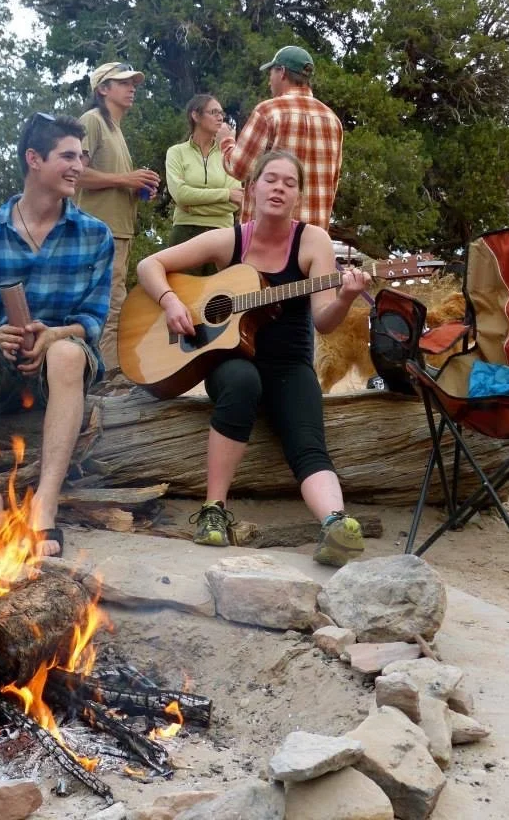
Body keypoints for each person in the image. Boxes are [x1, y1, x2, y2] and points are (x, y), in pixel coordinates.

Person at [136, 149, 370, 567]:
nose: (279, 188)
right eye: (271, 179)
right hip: (230, 362)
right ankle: (213, 511)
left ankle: (335, 523)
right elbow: (149, 265)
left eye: (289, 183)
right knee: (243, 382)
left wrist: (345, 297)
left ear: (298, 196)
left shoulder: (312, 241)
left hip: (289, 365)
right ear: (252, 189)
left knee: (307, 441)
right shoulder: (231, 239)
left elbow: (324, 322)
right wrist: (170, 300)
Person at [0, 113, 114, 558]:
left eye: (82, 157)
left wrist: (54, 334)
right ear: (34, 159)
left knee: (67, 354)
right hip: (2, 363)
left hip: (61, 363)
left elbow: (93, 320)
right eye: (68, 156)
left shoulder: (96, 235)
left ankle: (45, 503)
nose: (78, 166)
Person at [76, 61, 160, 372]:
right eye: (123, 82)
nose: (131, 88)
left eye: (133, 83)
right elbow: (75, 173)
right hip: (98, 231)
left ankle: (100, 371)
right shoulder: (92, 120)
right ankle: (108, 375)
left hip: (118, 231)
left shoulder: (115, 129)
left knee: (113, 304)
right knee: (109, 306)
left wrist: (138, 188)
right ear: (102, 89)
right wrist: (126, 179)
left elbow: (108, 180)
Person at [216, 45, 343, 229]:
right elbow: (333, 182)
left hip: (268, 234)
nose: (269, 81)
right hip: (312, 237)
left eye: (271, 73)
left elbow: (239, 168)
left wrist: (226, 141)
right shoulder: (333, 120)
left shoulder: (268, 111)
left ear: (282, 72)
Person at [165, 94, 243, 275]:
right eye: (214, 112)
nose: (220, 117)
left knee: (221, 293)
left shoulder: (228, 154)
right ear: (196, 116)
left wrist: (191, 207)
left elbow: (236, 201)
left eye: (221, 113)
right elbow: (181, 195)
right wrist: (226, 194)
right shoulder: (176, 152)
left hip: (223, 236)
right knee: (183, 291)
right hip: (185, 234)